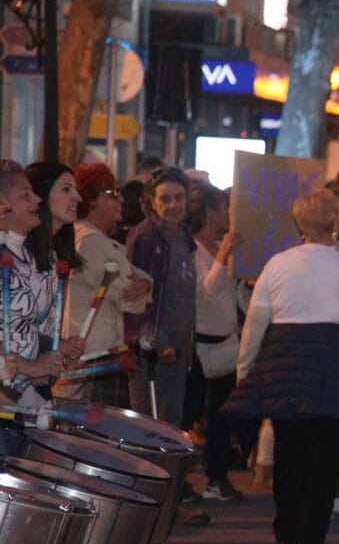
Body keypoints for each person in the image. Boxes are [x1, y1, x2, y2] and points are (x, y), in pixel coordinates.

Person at [224, 189, 339, 544]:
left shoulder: (277, 264)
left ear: (298, 223)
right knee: (324, 459)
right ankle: (312, 542)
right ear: (335, 223)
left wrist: (246, 373)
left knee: (289, 456)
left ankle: (285, 535)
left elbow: (255, 323)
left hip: (283, 364)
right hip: (328, 366)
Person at [0, 161, 85, 448]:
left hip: (21, 398)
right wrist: (31, 365)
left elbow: (22, 328)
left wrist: (53, 350)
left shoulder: (30, 255)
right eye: (26, 195)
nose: (35, 199)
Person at [56, 164, 152, 406]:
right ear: (92, 202)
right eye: (112, 194)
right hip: (91, 356)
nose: (119, 200)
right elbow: (130, 298)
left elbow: (139, 278)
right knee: (93, 434)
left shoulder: (98, 240)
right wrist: (144, 287)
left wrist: (146, 284)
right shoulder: (90, 242)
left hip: (94, 354)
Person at [125, 168, 197, 429]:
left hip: (177, 342)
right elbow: (138, 297)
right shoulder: (146, 236)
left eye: (179, 197)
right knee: (150, 423)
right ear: (152, 202)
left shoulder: (182, 233)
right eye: (165, 199)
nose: (173, 205)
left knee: (170, 421)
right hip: (154, 347)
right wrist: (159, 341)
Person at [186, 184, 244, 502]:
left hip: (226, 343)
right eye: (224, 207)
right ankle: (181, 481)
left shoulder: (221, 245)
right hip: (200, 344)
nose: (229, 215)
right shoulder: (193, 249)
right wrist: (224, 255)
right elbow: (208, 290)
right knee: (191, 413)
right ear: (209, 211)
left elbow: (230, 293)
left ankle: (217, 476)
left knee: (223, 416)